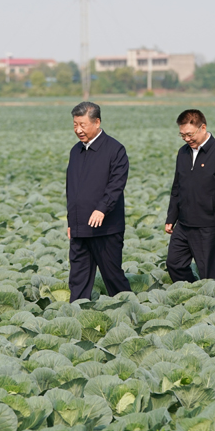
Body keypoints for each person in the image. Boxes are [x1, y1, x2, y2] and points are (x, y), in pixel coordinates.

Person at [66, 101, 132, 301]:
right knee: (78, 278)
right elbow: (71, 189)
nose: (78, 130)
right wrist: (71, 222)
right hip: (79, 228)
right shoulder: (75, 151)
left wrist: (102, 209)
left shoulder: (115, 150)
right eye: (75, 125)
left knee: (112, 276)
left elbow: (116, 185)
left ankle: (128, 309)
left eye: (82, 125)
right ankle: (77, 312)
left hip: (106, 229)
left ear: (97, 122)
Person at [165, 109, 215, 282]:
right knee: (174, 264)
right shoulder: (183, 153)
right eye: (182, 135)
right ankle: (192, 291)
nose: (187, 139)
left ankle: (208, 298)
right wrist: (171, 217)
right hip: (184, 223)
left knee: (208, 275)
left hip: (209, 225)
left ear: (203, 127)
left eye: (190, 134)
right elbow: (177, 187)